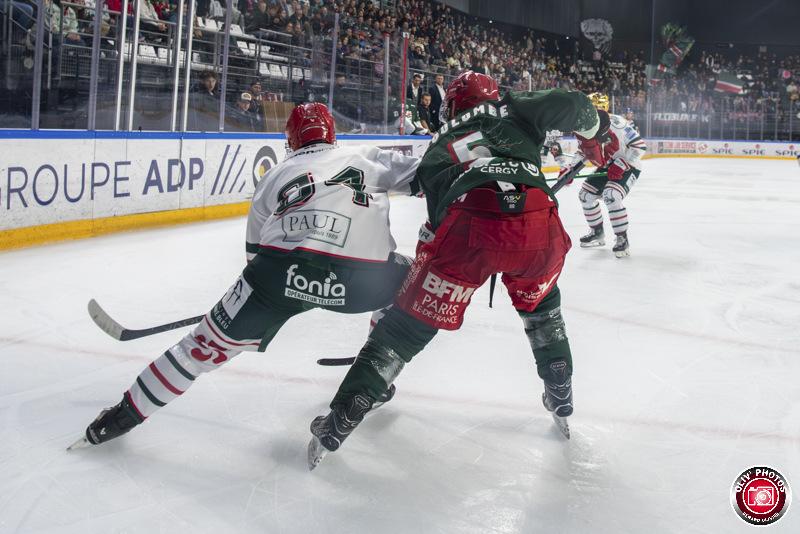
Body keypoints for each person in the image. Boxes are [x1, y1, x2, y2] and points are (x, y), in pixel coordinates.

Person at [69, 103, 421, 450]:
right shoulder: (368, 156)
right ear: (333, 135)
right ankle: (375, 374)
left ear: (292, 140)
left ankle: (117, 420)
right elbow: (428, 175)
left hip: (277, 276)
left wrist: (289, 294)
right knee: (413, 284)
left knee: (196, 350)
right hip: (365, 280)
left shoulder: (274, 176)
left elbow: (255, 253)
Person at [307, 71, 601, 469]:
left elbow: (436, 222)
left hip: (468, 227)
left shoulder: (438, 146)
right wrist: (592, 129)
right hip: (538, 225)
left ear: (452, 105)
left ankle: (344, 415)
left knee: (402, 332)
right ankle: (560, 391)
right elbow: (575, 104)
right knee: (543, 310)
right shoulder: (515, 105)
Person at [563, 93, 645, 258]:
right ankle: (597, 232)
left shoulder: (618, 124)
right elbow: (584, 151)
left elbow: (639, 147)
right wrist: (570, 169)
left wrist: (622, 164)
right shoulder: (586, 126)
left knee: (611, 195)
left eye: (595, 108)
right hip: (607, 166)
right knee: (585, 195)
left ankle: (622, 238)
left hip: (628, 166)